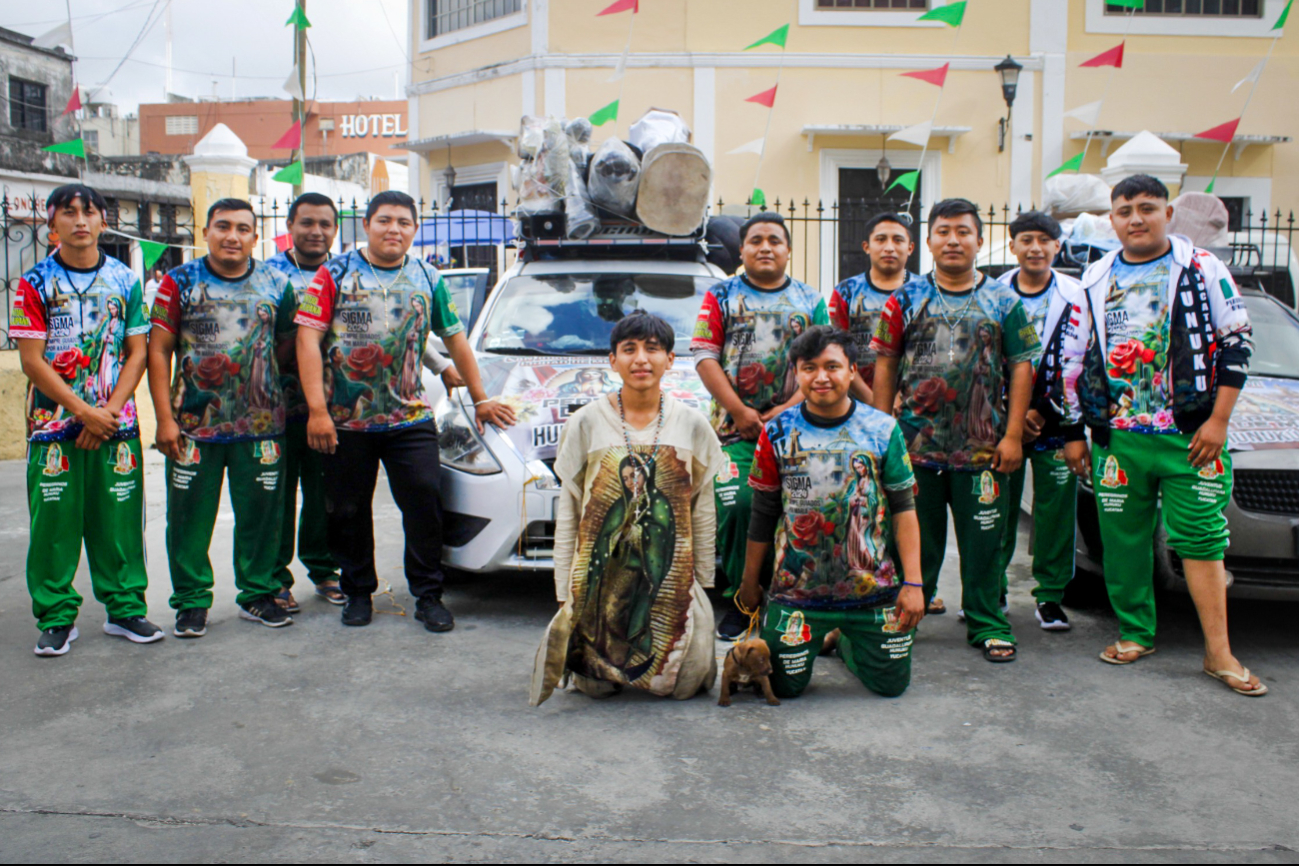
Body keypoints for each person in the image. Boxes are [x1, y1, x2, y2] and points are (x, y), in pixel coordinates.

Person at [1056, 175, 1266, 696]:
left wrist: (1217, 421)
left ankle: (1219, 652)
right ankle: (1135, 632)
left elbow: (1237, 342)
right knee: (1122, 541)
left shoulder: (1202, 268)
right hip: (1118, 438)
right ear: (1112, 219)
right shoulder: (1096, 276)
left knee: (1200, 539)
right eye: (1124, 210)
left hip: (1190, 436)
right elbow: (1073, 359)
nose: (1135, 218)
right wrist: (1075, 431)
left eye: (1147, 208)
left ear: (1167, 214)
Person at [294, 190, 516, 633]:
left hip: (409, 419)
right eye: (384, 220)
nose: (394, 229)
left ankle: (428, 595)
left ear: (414, 230)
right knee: (347, 510)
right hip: (345, 420)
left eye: (403, 222)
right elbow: (307, 340)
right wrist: (318, 411)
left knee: (423, 502)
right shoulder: (332, 274)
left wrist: (481, 397)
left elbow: (455, 340)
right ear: (367, 225)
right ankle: (358, 593)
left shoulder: (428, 277)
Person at [871, 198, 1040, 663]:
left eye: (963, 231)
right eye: (943, 231)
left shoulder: (1005, 300)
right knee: (913, 541)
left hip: (983, 449)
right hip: (914, 446)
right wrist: (883, 430)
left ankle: (987, 621)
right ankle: (906, 617)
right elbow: (885, 363)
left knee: (984, 541)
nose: (952, 240)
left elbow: (1021, 367)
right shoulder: (904, 298)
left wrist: (1011, 436)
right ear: (928, 242)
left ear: (980, 241)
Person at [530, 312, 725, 705]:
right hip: (604, 579)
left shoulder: (691, 424)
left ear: (670, 360)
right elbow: (570, 512)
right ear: (612, 360)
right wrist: (565, 590)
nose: (641, 360)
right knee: (595, 683)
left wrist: (701, 586)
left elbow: (703, 509)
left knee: (685, 684)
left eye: (653, 349)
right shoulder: (586, 422)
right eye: (629, 349)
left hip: (665, 572)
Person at [12, 183, 161, 656]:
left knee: (117, 520)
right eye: (69, 212)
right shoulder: (34, 282)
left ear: (102, 222)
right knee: (54, 523)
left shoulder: (124, 279)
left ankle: (125, 609)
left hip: (116, 425)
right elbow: (32, 360)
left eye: (89, 212)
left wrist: (108, 413)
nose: (80, 220)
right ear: (51, 223)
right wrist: (81, 414)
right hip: (53, 426)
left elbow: (138, 352)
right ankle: (56, 617)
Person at [737, 326, 924, 699]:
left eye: (832, 366)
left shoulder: (883, 430)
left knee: (891, 687)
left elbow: (903, 509)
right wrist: (748, 582)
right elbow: (763, 512)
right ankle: (821, 634)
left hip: (873, 592)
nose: (821, 377)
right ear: (797, 373)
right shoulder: (776, 432)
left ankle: (847, 643)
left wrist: (914, 584)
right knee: (783, 688)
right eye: (809, 368)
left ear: (852, 370)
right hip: (798, 595)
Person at [148, 198, 298, 637]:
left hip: (262, 426)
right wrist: (164, 419)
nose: (232, 236)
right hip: (192, 427)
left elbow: (287, 347)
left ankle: (257, 594)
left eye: (243, 229)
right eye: (223, 226)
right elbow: (158, 350)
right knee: (189, 519)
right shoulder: (179, 283)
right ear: (206, 232)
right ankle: (191, 602)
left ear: (256, 236)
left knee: (262, 517)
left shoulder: (277, 283)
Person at [691, 212, 830, 641]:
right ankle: (743, 599)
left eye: (774, 240)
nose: (765, 247)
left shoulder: (810, 300)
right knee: (739, 507)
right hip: (735, 434)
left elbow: (823, 364)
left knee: (811, 511)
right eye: (755, 240)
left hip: (799, 431)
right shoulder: (721, 296)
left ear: (788, 250)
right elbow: (704, 355)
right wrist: (738, 411)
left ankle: (800, 603)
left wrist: (788, 409)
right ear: (742, 250)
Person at [995, 211, 1083, 632]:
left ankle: (1050, 597)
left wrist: (1040, 412)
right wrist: (1014, 415)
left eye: (1044, 240)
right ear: (1012, 245)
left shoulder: (1077, 294)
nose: (1035, 248)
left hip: (1056, 421)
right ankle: (990, 589)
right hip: (1002, 425)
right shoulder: (993, 294)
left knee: (1055, 514)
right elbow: (988, 363)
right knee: (997, 509)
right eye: (1026, 239)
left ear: (1057, 246)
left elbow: (1080, 361)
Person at [829, 212, 921, 403]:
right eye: (880, 239)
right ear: (866, 247)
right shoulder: (846, 293)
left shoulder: (924, 293)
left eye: (898, 240)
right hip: (856, 402)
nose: (889, 247)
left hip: (910, 403)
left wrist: (898, 399)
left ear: (910, 248)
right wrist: (872, 400)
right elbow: (840, 351)